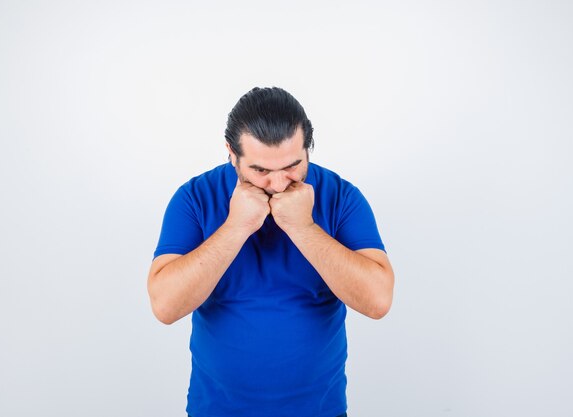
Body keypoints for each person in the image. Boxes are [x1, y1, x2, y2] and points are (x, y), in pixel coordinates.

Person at [147, 87, 395, 417]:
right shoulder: (194, 197)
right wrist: (235, 227)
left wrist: (303, 228)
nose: (279, 184)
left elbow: (378, 301)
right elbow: (165, 306)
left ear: (307, 148)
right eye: (260, 171)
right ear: (231, 154)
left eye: (292, 166)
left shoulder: (342, 196)